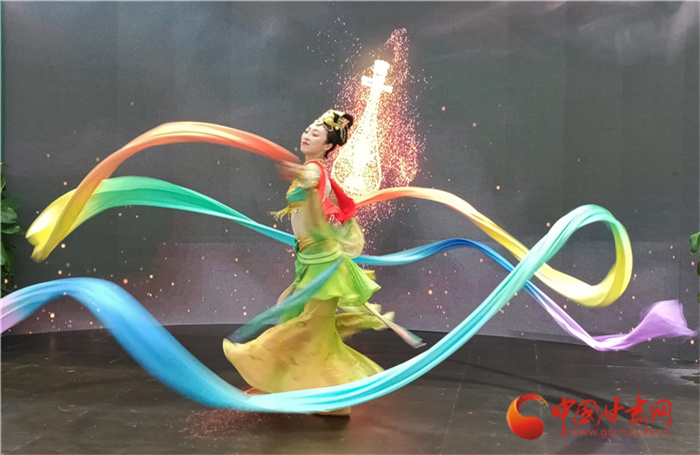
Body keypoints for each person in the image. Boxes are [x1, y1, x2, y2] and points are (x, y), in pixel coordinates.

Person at [222, 110, 393, 416]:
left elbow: (312, 180)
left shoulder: (314, 169)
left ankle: (325, 399)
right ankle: (307, 391)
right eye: (307, 129)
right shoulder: (314, 169)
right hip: (310, 260)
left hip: (323, 264)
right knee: (299, 317)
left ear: (327, 146)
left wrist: (300, 175)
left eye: (316, 133)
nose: (307, 134)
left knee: (308, 329)